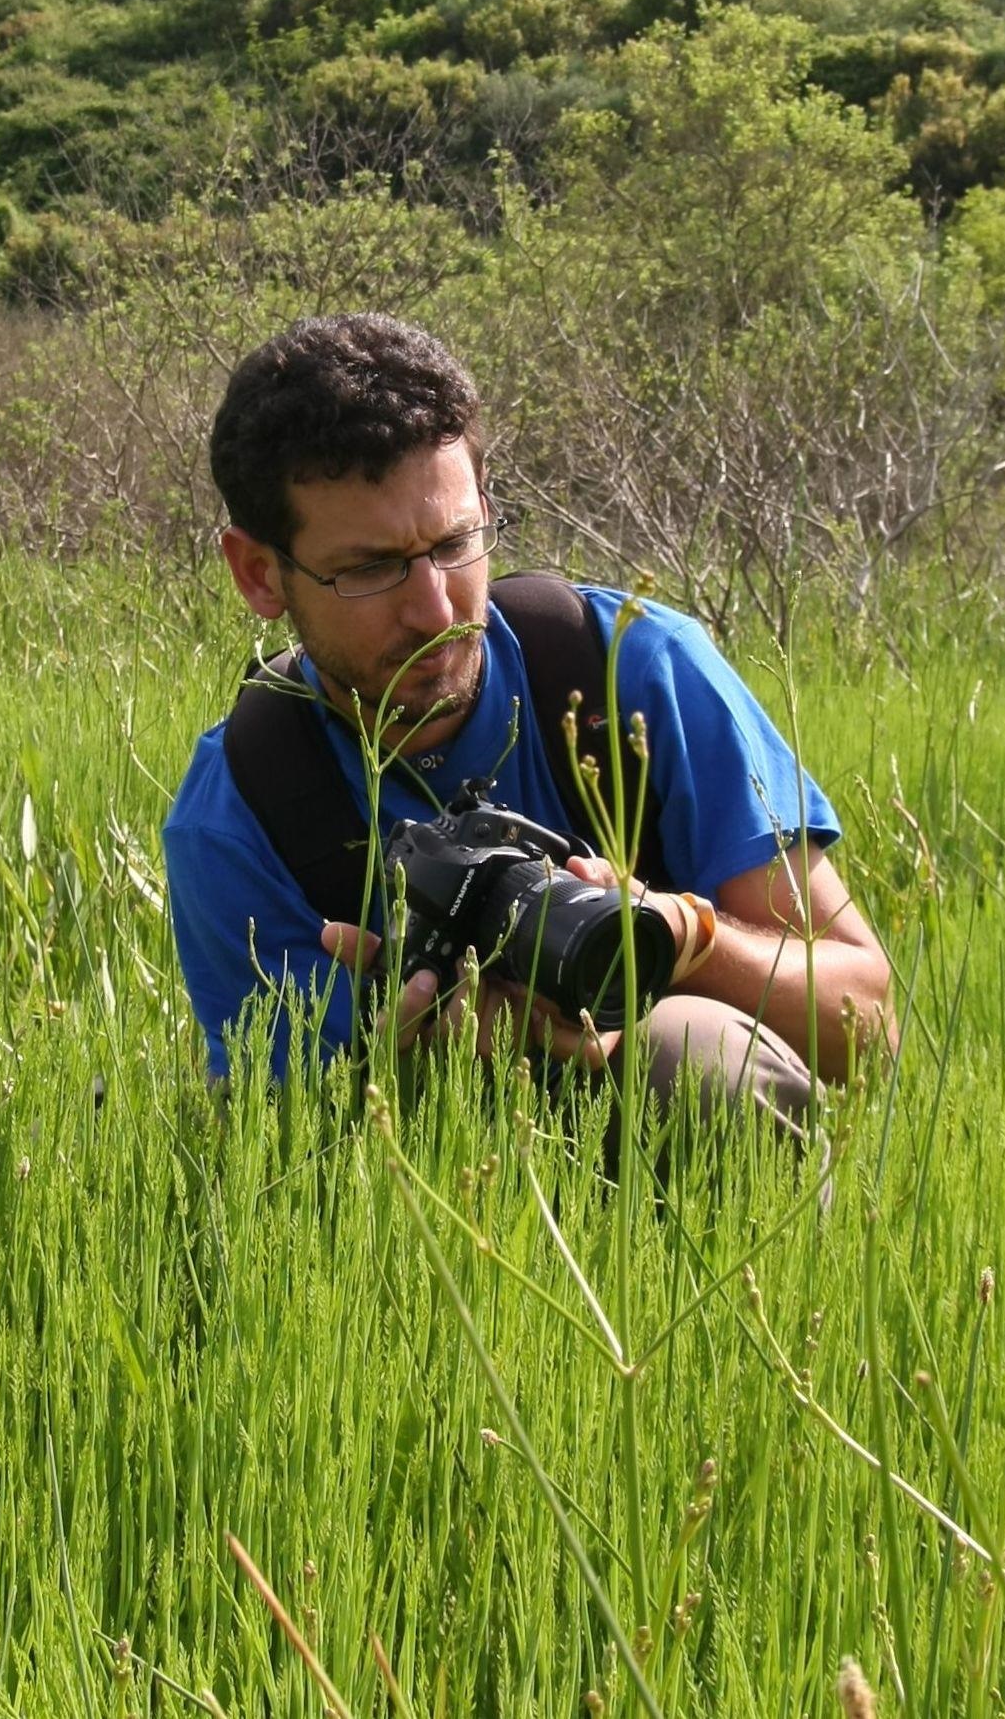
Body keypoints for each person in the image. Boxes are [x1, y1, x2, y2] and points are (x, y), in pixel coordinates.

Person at [163, 313, 896, 1134]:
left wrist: (678, 937)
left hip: (679, 1142)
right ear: (260, 573)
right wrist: (409, 1065)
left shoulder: (628, 670)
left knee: (694, 1055)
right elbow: (286, 1146)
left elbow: (867, 1022)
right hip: (441, 1194)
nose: (435, 608)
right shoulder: (242, 810)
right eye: (368, 569)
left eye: (456, 542)